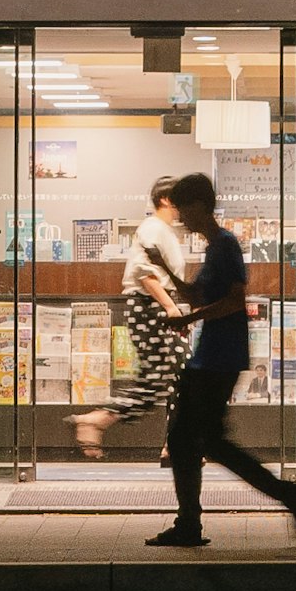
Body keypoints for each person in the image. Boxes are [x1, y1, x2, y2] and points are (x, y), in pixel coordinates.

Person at [148, 171, 296, 546]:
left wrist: (188, 318)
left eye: (184, 208)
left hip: (219, 357)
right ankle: (282, 494)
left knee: (188, 439)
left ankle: (191, 522)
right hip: (214, 357)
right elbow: (196, 294)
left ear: (200, 205)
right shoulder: (214, 248)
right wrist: (164, 267)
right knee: (204, 441)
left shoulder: (225, 245)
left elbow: (234, 301)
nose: (182, 217)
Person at [74, 176, 197, 459]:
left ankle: (175, 443)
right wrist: (171, 308)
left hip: (154, 306)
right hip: (151, 306)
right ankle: (98, 419)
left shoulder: (162, 229)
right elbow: (146, 274)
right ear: (166, 200)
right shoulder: (154, 228)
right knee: (170, 376)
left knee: (174, 376)